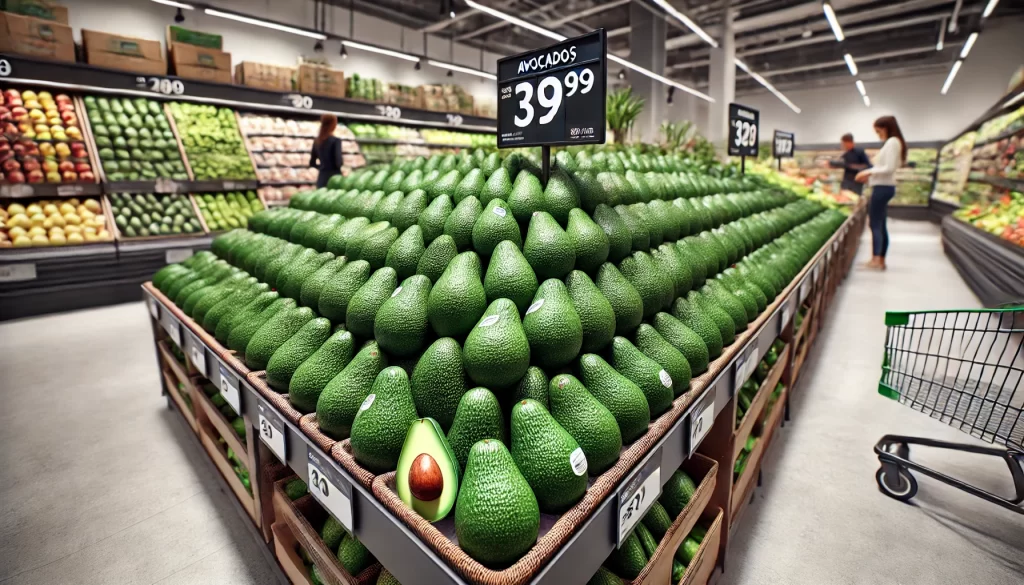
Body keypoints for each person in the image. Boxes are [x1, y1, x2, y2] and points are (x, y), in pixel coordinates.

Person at [855, 115, 907, 271]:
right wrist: (871, 178)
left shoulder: (892, 142)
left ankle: (876, 260)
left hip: (883, 188)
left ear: (885, 128)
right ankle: (879, 259)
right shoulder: (895, 142)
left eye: (878, 131)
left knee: (875, 224)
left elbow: (889, 168)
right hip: (884, 187)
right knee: (880, 224)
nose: (878, 135)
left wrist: (868, 172)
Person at [310, 113, 343, 188]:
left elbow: (312, 163)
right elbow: (338, 163)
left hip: (322, 179)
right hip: (335, 179)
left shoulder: (317, 141)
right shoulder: (336, 141)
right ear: (333, 125)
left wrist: (322, 167)